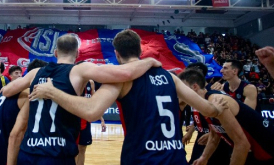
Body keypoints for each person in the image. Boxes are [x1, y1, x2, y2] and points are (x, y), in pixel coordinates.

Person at [28, 30, 227, 165]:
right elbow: (210, 110)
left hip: (141, 157)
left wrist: (53, 92)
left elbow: (90, 111)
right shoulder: (171, 78)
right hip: (174, 157)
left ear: (116, 53)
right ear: (140, 51)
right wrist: (218, 101)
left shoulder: (120, 80)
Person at [2, 33, 163, 164]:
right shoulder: (79, 70)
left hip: (28, 152)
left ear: (55, 53)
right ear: (77, 53)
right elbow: (125, 73)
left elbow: (6, 91)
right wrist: (148, 61)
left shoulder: (35, 72)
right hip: (57, 154)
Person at [179, 69, 274, 165]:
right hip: (254, 150)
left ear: (194, 87)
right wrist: (204, 157)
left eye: (182, 89)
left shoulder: (216, 100)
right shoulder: (206, 104)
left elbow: (242, 144)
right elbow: (215, 135)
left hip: (267, 149)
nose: (180, 93)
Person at [183, 62, 232, 165]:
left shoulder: (212, 93)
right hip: (201, 136)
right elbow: (196, 115)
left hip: (216, 138)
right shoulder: (193, 93)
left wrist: (213, 133)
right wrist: (190, 133)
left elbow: (229, 121)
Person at [76, 80, 106, 165]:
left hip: (86, 122)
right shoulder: (74, 80)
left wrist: (102, 120)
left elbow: (94, 104)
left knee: (82, 149)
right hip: (74, 121)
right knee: (73, 150)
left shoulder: (91, 83)